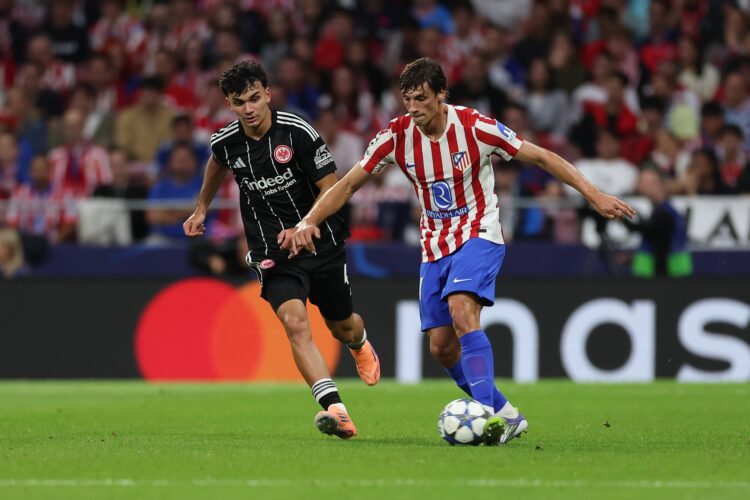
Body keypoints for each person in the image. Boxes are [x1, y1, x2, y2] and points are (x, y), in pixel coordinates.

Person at [289, 57, 635, 445]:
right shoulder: (395, 136)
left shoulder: (474, 127)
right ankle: (506, 415)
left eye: (421, 98)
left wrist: (593, 194)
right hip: (434, 243)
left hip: (478, 231)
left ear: (441, 94)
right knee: (441, 347)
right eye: (407, 100)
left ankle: (485, 414)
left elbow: (541, 156)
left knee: (461, 309)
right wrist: (309, 221)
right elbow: (348, 184)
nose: (413, 108)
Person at [183, 60, 380, 440]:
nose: (249, 108)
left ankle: (358, 343)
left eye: (255, 98)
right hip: (270, 248)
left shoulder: (298, 132)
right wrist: (202, 207)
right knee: (294, 322)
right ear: (229, 104)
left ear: (268, 94)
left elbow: (331, 187)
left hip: (320, 241)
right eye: (240, 102)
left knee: (342, 325)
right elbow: (217, 165)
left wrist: (306, 224)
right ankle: (336, 410)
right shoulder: (226, 142)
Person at [624, 168, 692, 277]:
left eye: (652, 184)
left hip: (672, 265)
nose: (649, 189)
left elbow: (650, 232)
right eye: (645, 184)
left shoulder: (665, 213)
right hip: (669, 264)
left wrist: (620, 217)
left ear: (663, 187)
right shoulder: (665, 211)